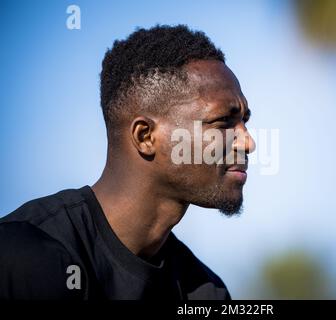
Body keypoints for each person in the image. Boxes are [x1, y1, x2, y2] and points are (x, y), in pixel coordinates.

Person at [0, 24, 255, 300]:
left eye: (244, 121)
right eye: (222, 122)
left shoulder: (205, 293)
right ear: (145, 136)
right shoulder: (24, 257)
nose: (248, 143)